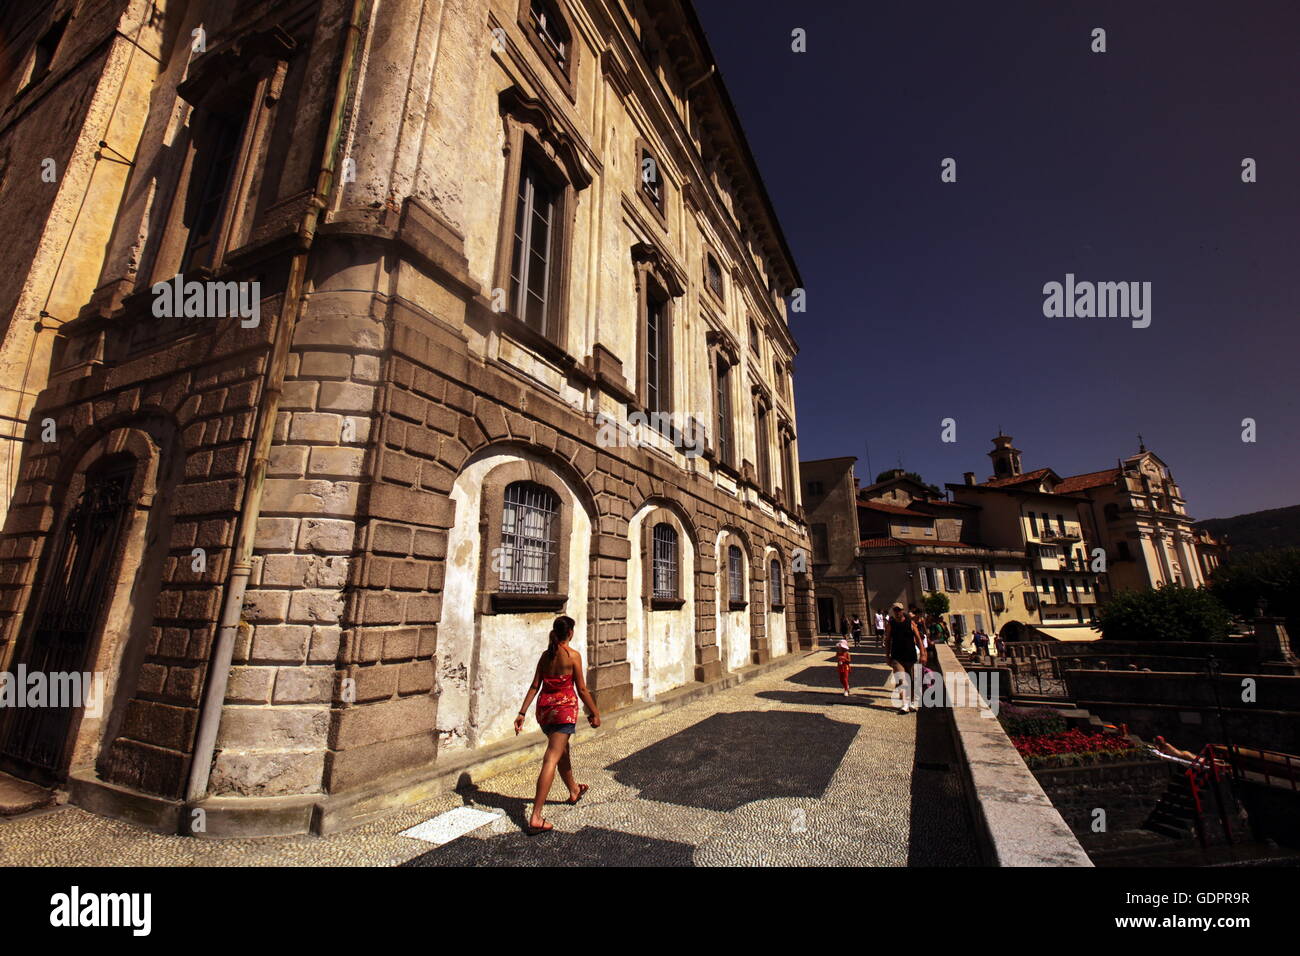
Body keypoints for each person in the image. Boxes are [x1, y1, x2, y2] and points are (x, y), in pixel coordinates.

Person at [514, 615, 601, 835]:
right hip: (563, 711)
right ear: (570, 633)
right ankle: (535, 816)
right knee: (552, 756)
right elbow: (582, 689)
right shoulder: (572, 656)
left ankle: (574, 790)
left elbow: (535, 685)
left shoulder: (546, 656)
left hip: (545, 710)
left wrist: (522, 712)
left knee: (562, 750)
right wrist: (595, 712)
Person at [885, 604, 925, 713]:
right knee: (901, 680)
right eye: (895, 610)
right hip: (897, 656)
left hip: (911, 655)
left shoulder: (910, 623)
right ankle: (905, 704)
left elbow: (918, 638)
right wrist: (887, 656)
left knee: (914, 680)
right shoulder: (891, 624)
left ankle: (913, 702)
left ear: (903, 611)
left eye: (899, 610)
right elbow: (887, 640)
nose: (897, 612)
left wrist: (922, 654)